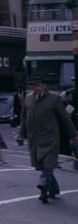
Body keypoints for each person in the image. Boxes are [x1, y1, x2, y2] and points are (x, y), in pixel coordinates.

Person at [17, 74, 78, 203]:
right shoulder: (28, 98)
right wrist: (21, 134)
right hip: (35, 139)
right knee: (44, 167)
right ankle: (54, 190)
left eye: (38, 85)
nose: (35, 88)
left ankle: (43, 188)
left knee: (47, 167)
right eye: (34, 85)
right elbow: (24, 119)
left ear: (45, 86)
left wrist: (73, 135)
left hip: (50, 139)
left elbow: (64, 118)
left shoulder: (54, 99)